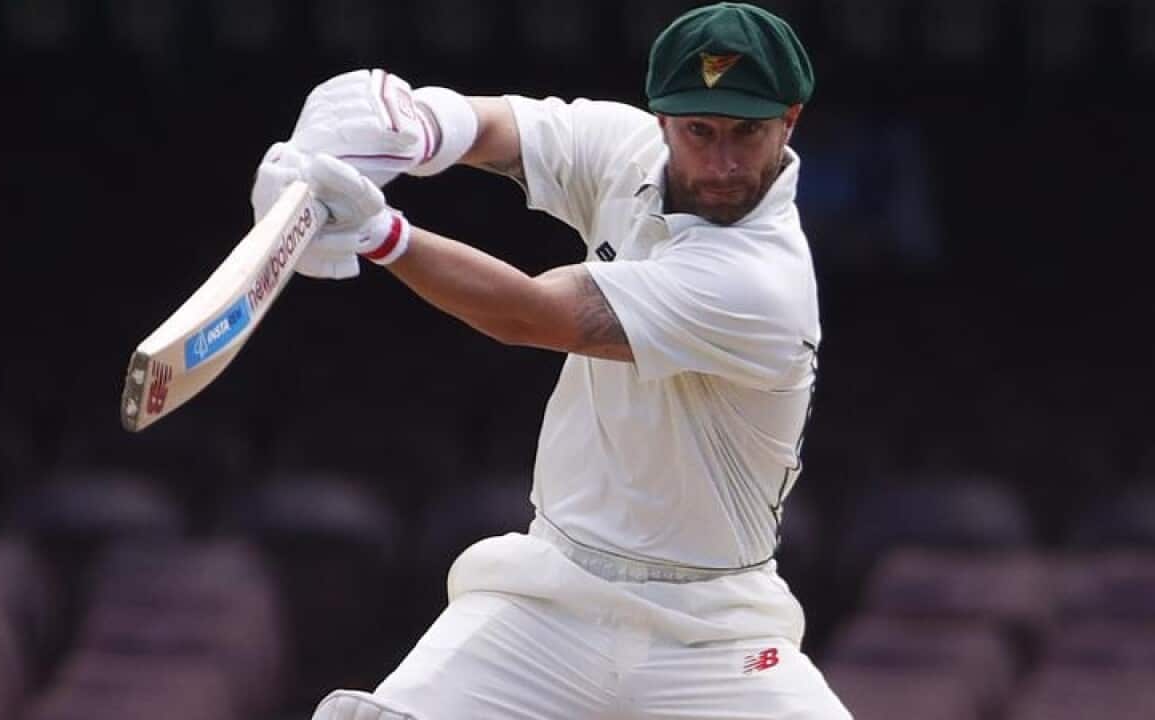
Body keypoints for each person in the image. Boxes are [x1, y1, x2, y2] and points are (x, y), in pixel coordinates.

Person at [251, 3, 851, 718]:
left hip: (714, 635)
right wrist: (409, 125)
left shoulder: (763, 281)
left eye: (746, 132)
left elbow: (530, 314)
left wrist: (382, 234)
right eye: (700, 131)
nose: (722, 162)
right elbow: (502, 129)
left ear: (790, 120)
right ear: (662, 121)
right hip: (550, 598)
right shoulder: (628, 150)